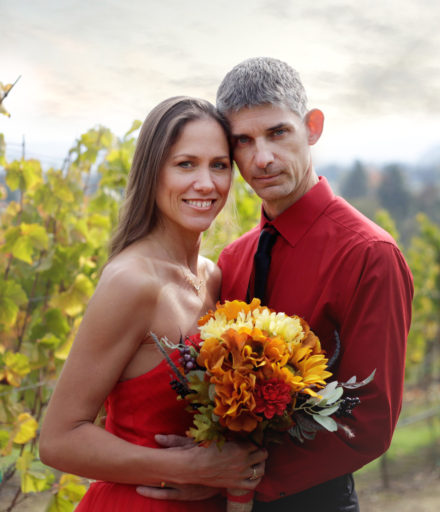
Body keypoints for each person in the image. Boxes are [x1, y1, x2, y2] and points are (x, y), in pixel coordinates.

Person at [149, 58, 414, 511]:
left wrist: (233, 481)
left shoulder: (370, 255)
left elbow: (369, 422)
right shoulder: (232, 260)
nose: (262, 158)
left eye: (277, 133)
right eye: (243, 141)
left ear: (312, 127)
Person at [39, 96, 268, 511]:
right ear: (152, 172)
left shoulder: (213, 277)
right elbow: (58, 441)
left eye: (219, 165)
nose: (206, 183)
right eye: (185, 164)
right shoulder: (133, 282)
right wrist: (189, 469)